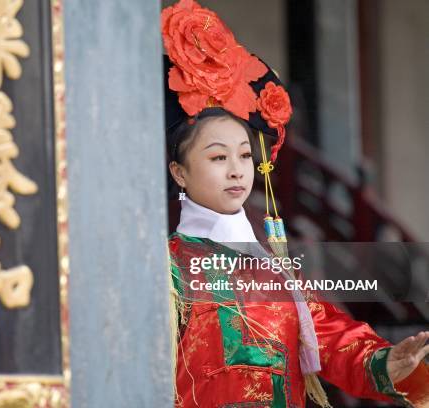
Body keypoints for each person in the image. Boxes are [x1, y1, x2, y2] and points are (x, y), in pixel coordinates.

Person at [163, 1, 429, 407]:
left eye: (244, 156)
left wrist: (385, 363)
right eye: (218, 157)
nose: (237, 170)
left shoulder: (276, 270)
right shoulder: (166, 271)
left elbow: (329, 334)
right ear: (180, 172)